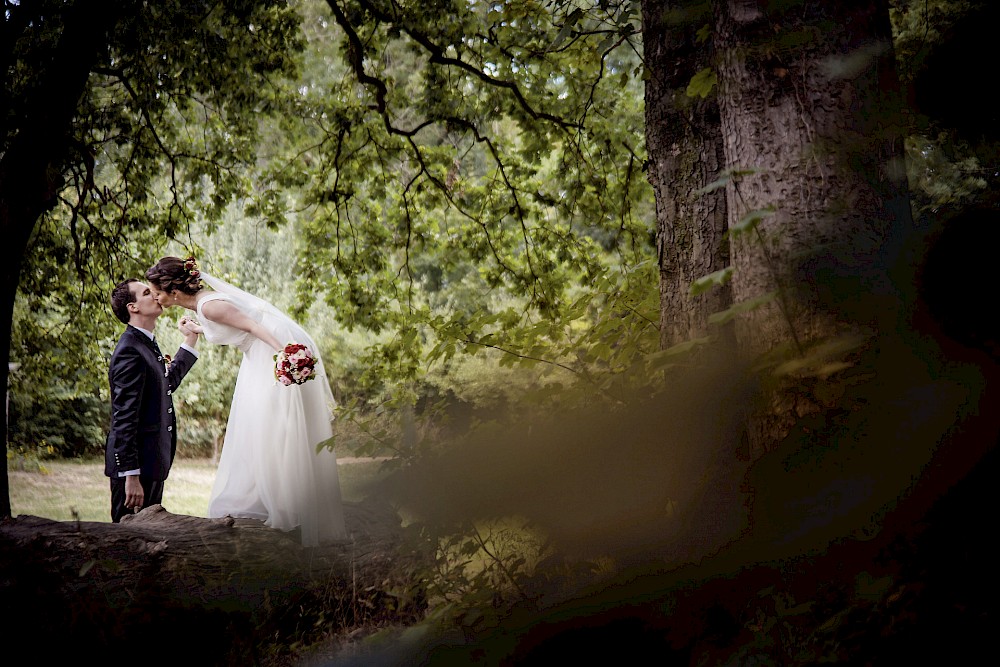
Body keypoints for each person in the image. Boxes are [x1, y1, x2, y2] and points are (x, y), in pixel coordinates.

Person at [144, 256, 347, 546]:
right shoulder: (202, 306)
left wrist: (285, 352)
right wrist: (199, 331)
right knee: (261, 425)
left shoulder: (208, 305)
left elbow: (251, 325)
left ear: (173, 291)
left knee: (272, 424)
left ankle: (285, 502)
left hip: (267, 350)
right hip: (257, 355)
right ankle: (273, 498)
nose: (156, 298)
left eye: (157, 292)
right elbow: (234, 326)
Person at [106, 278, 200, 523]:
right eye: (147, 292)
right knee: (128, 543)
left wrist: (190, 340)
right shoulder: (129, 349)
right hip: (136, 471)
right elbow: (123, 417)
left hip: (151, 463)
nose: (156, 295)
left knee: (150, 540)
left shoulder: (144, 344)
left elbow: (164, 386)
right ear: (133, 307)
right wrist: (131, 476)